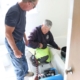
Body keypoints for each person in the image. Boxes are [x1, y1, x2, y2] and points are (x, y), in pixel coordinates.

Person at [5, 0, 38, 80]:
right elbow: (7, 33)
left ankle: (25, 72)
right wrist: (15, 50)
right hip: (14, 43)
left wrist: (25, 38)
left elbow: (21, 27)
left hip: (20, 41)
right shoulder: (14, 12)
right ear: (29, 3)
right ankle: (20, 78)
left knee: (23, 59)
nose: (33, 8)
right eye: (34, 6)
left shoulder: (23, 10)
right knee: (18, 66)